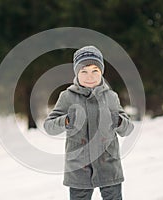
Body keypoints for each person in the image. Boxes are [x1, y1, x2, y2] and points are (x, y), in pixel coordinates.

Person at [44, 46, 134, 200]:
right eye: (84, 71)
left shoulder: (111, 97)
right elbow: (49, 126)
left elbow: (128, 129)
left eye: (95, 71)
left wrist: (118, 121)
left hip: (108, 165)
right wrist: (65, 120)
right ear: (76, 73)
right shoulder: (67, 97)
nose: (89, 76)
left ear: (101, 73)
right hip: (79, 168)